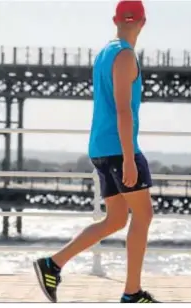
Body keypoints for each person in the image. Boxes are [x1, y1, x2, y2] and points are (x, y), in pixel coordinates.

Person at [33, 0, 159, 303]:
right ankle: (132, 293)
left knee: (116, 219)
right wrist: (129, 158)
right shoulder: (126, 56)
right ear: (143, 23)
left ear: (115, 20)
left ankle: (52, 264)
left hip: (100, 148)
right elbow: (123, 110)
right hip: (119, 149)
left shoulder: (104, 54)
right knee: (143, 215)